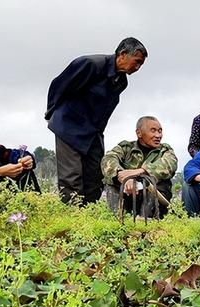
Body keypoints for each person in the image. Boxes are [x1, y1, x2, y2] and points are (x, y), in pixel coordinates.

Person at [45, 37, 147, 205]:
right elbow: (59, 85)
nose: (137, 68)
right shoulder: (90, 64)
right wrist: (51, 112)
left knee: (95, 176)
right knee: (72, 177)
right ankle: (72, 220)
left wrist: (99, 131)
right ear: (122, 54)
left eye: (140, 65)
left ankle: (88, 215)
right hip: (69, 126)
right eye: (136, 62)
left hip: (93, 132)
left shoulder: (122, 82)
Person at [101, 116, 177, 217]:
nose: (158, 135)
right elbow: (108, 159)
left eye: (160, 131)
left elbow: (169, 164)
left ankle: (145, 221)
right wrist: (122, 177)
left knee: (157, 184)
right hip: (128, 194)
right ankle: (118, 219)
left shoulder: (165, 150)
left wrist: (138, 172)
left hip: (153, 198)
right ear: (139, 133)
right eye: (153, 131)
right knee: (110, 181)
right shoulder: (125, 148)